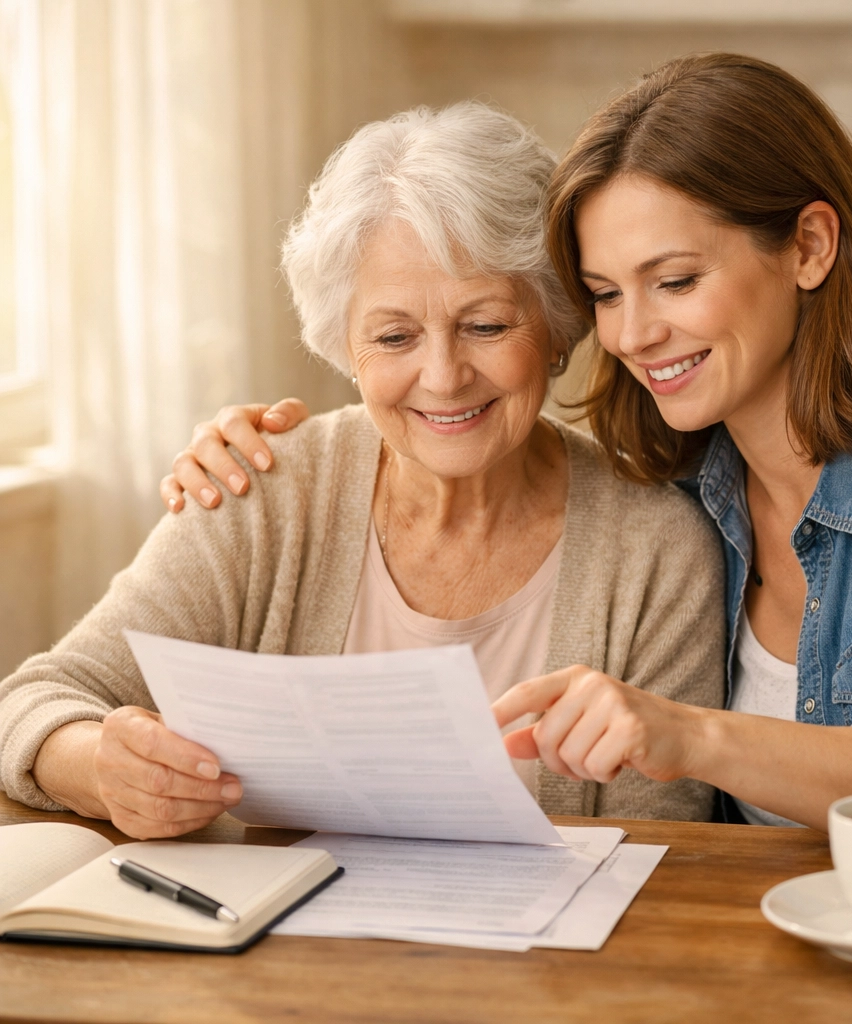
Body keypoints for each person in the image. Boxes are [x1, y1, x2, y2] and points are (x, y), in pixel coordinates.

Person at [191, 55, 852, 833]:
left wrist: (695, 736)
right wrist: (251, 453)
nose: (633, 333)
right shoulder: (689, 477)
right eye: (605, 294)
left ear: (808, 246)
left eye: (676, 281)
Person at [0, 103, 724, 840]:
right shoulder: (265, 486)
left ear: (557, 328)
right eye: (394, 336)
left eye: (485, 325)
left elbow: (668, 852)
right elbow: (36, 700)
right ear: (344, 346)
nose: (442, 377)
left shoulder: (656, 545)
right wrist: (103, 768)